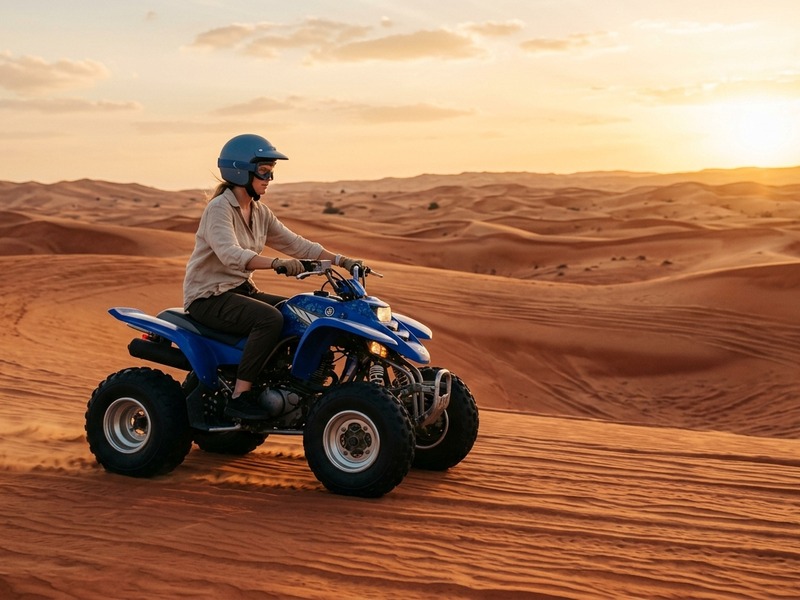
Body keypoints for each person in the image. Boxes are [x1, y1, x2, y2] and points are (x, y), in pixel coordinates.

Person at [183, 133, 365, 420]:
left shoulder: (259, 211)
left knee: (299, 313)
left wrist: (342, 260)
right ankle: (241, 396)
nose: (269, 179)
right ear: (240, 171)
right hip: (209, 296)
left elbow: (298, 244)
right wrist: (278, 264)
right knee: (269, 319)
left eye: (272, 172)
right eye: (263, 171)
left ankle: (286, 384)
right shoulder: (219, 209)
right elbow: (230, 253)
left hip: (241, 291)